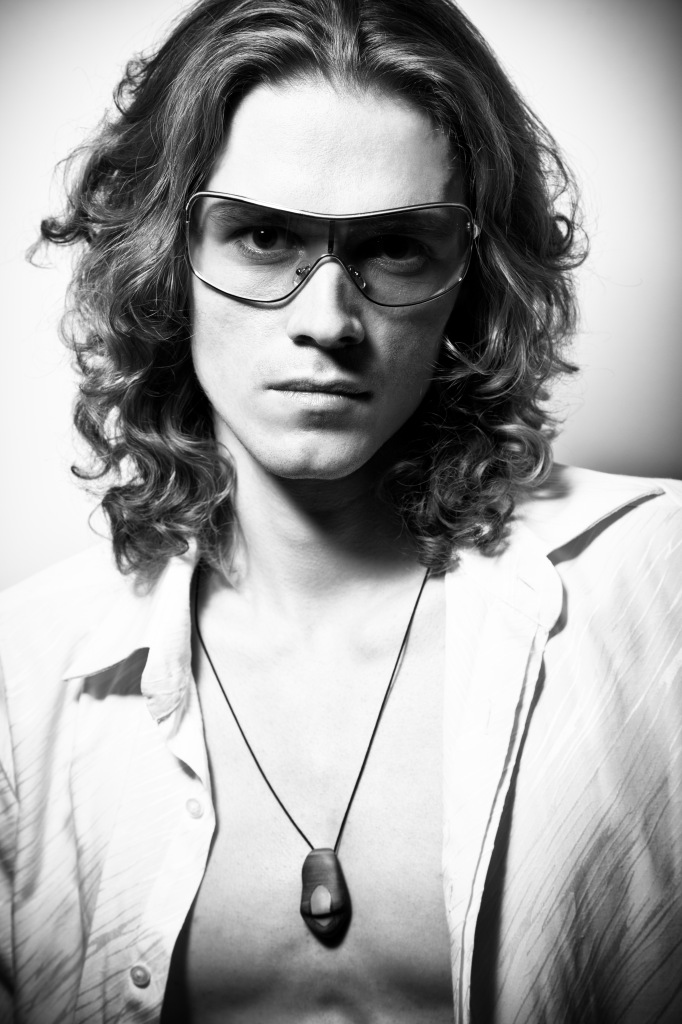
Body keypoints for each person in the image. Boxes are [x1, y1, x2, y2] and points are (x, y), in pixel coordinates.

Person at [1, 0, 680, 1021]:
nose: (328, 321)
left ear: (470, 283)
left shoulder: (657, 589)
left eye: (396, 247)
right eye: (264, 236)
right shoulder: (23, 685)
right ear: (165, 259)